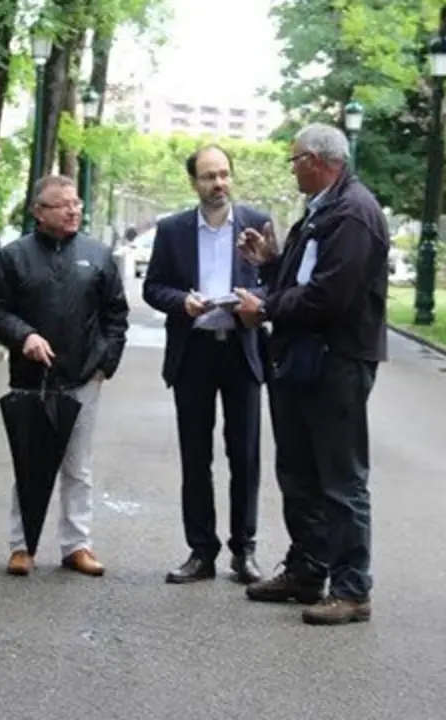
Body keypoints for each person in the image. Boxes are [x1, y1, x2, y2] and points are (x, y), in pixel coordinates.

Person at [233, 122, 390, 626]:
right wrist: (273, 262)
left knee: (340, 480)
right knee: (299, 472)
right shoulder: (325, 209)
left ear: (320, 161)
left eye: (295, 159)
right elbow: (309, 280)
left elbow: (330, 296)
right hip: (303, 358)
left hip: (336, 361)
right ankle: (307, 570)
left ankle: (352, 588)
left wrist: (268, 307)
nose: (292, 167)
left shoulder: (353, 213)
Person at [0, 175, 129, 577]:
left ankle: (77, 543)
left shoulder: (98, 255)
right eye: (62, 204)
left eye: (76, 203)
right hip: (32, 376)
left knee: (78, 466)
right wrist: (23, 335)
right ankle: (21, 544)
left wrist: (106, 362)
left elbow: (116, 314)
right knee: (29, 463)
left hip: (84, 375)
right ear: (39, 212)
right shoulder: (15, 256)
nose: (72, 210)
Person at [142, 145, 270, 585]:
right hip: (194, 352)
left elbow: (278, 281)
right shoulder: (173, 229)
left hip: (241, 349)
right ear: (192, 182)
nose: (217, 184)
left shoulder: (257, 223)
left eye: (223, 174)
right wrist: (182, 303)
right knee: (195, 457)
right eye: (208, 176)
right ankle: (201, 551)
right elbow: (153, 286)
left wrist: (259, 304)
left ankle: (244, 551)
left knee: (246, 457)